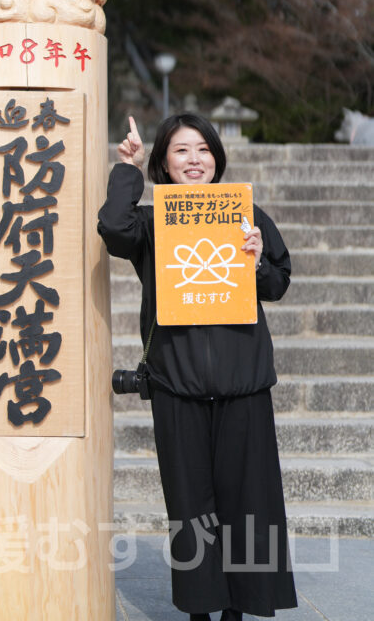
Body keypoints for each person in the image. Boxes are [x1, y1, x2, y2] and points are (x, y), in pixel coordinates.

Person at [98, 112, 297, 621]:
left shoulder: (245, 213)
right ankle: (200, 610)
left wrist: (256, 260)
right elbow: (113, 229)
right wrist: (128, 171)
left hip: (243, 385)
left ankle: (239, 608)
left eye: (203, 149)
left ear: (216, 157)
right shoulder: (151, 222)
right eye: (181, 150)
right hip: (176, 385)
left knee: (247, 504)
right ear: (164, 161)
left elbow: (277, 282)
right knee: (190, 508)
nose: (194, 160)